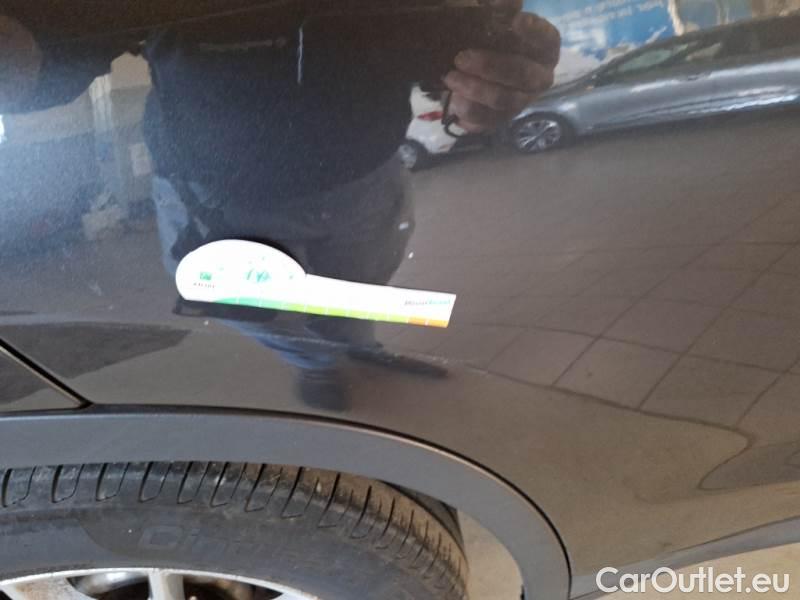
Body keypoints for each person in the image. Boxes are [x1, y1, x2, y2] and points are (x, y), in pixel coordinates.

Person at [0, 0, 560, 409]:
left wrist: (492, 68)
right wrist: (26, 55)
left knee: (355, 300)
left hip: (361, 180)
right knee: (248, 306)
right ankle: (317, 362)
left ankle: (353, 350)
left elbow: (453, 45)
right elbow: (55, 46)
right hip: (218, 196)